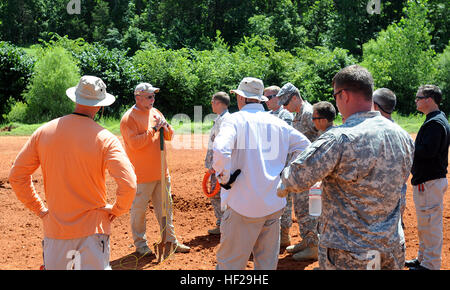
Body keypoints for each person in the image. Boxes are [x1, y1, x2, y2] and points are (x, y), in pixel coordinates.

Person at [277, 65, 415, 270]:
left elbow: (296, 178)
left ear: (345, 95)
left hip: (349, 252)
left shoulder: (339, 138)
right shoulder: (402, 135)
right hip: (391, 246)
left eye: (335, 95)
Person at [8, 75, 137, 270]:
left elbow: (17, 176)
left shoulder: (43, 132)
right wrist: (117, 209)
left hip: (55, 232)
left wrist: (40, 209)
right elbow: (129, 184)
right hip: (93, 231)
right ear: (100, 106)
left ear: (76, 99)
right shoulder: (106, 138)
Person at [213, 77, 311, 270]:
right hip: (273, 204)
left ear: (240, 98)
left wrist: (224, 179)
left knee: (230, 265)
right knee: (266, 265)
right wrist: (287, 174)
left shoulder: (234, 120)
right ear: (261, 100)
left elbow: (220, 150)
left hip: (242, 204)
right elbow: (307, 147)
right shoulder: (276, 122)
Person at [120, 82, 190, 256]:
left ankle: (170, 240)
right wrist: (153, 130)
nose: (153, 99)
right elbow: (135, 144)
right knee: (139, 211)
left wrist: (165, 126)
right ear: (138, 97)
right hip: (141, 175)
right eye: (149, 96)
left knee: (166, 207)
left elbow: (169, 136)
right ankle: (141, 245)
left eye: (153, 96)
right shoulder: (129, 118)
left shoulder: (156, 112)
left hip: (161, 171)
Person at [406, 85, 449, 270]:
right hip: (429, 181)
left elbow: (427, 151)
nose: (416, 100)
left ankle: (430, 265)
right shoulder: (436, 120)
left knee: (430, 224)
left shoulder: (435, 123)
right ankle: (423, 259)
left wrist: (408, 146)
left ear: (429, 99)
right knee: (425, 223)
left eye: (419, 97)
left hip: (430, 181)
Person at [276, 82, 321, 261]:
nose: (284, 107)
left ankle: (314, 246)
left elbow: (324, 137)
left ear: (295, 97)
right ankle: (307, 240)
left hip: (311, 173)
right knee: (302, 208)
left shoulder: (309, 114)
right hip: (303, 172)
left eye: (286, 103)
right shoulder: (298, 114)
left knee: (307, 209)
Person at [373, 88, 409, 231]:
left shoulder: (371, 133)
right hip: (398, 200)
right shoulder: (403, 134)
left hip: (376, 204)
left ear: (375, 106)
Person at [264, 85, 295, 247]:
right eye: (265, 98)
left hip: (283, 164)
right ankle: (273, 234)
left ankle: (284, 235)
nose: (267, 101)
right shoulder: (267, 115)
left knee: (285, 201)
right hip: (269, 164)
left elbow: (283, 139)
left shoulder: (285, 114)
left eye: (269, 97)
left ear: (278, 97)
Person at [204, 92, 230, 235]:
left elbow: (222, 146)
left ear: (219, 103)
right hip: (217, 165)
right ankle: (222, 224)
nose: (211, 104)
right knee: (217, 194)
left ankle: (224, 225)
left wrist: (216, 166)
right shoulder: (221, 118)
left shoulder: (225, 120)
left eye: (213, 101)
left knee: (218, 195)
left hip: (219, 166)